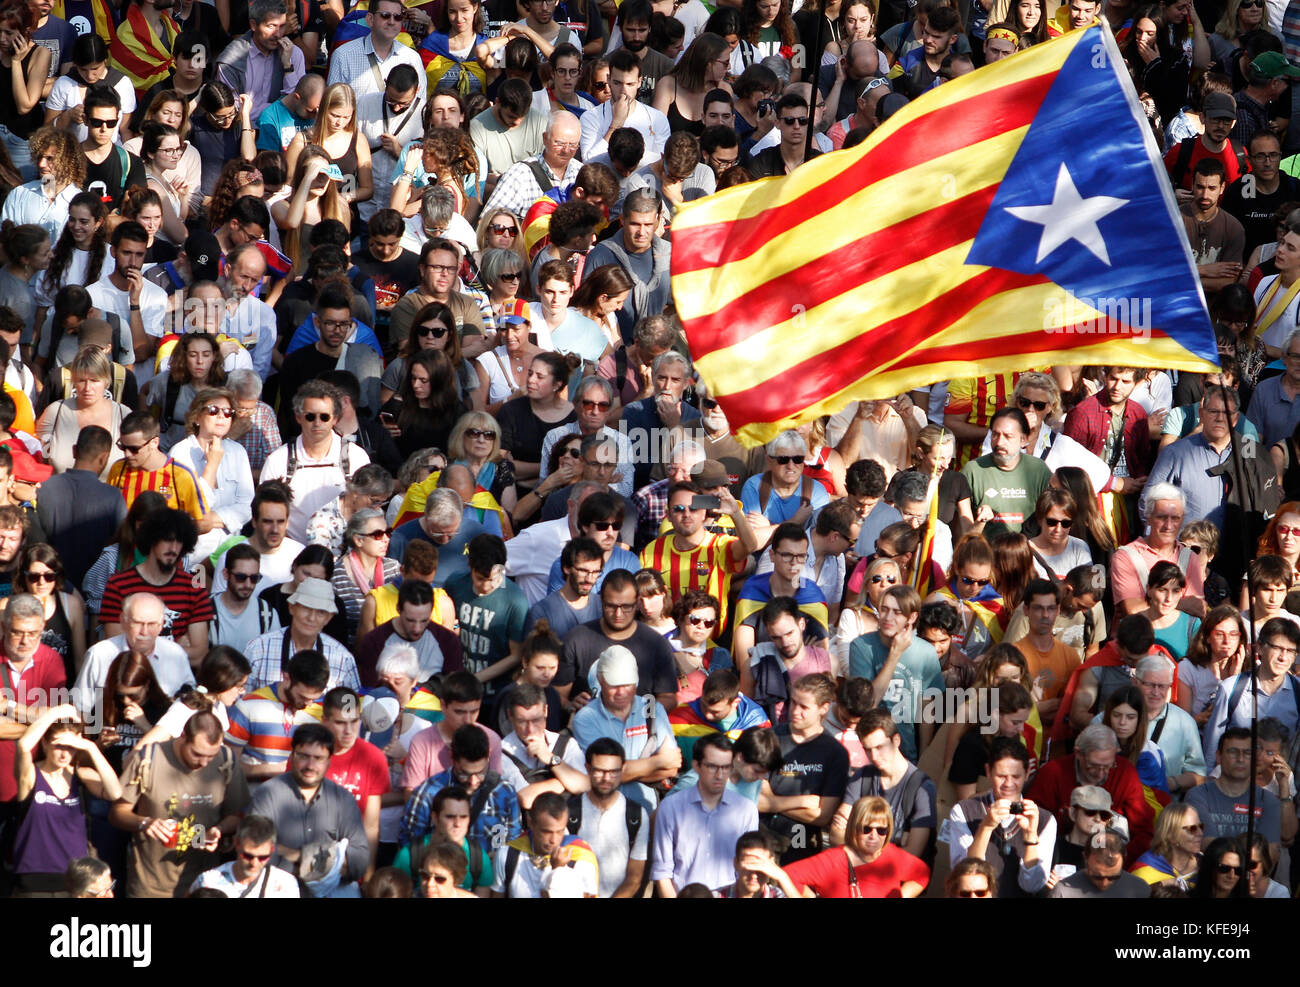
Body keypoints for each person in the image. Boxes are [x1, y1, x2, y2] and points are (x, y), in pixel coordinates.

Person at [109, 711, 249, 899]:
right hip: (151, 883)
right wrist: (146, 823)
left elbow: (237, 814)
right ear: (183, 736)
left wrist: (219, 830)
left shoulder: (226, 760)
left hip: (203, 884)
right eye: (197, 754)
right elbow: (117, 812)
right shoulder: (149, 758)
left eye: (210, 756)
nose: (204, 762)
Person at [248, 722, 370, 896]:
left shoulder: (343, 800)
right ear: (292, 755)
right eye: (304, 756)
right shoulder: (267, 794)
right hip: (279, 887)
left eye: (318, 758)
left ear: (329, 761)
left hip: (333, 888)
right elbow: (257, 852)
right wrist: (329, 860)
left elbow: (359, 861)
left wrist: (295, 855)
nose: (310, 766)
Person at [11, 704, 121, 896]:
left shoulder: (80, 775)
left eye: (70, 747)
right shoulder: (31, 776)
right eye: (58, 745)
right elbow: (23, 746)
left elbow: (115, 792)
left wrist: (90, 747)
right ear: (45, 744)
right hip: (34, 882)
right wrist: (56, 712)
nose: (64, 753)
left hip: (75, 881)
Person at [569, 644, 681, 810]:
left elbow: (671, 768)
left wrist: (622, 773)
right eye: (614, 685)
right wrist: (657, 762)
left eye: (627, 685)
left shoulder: (652, 708)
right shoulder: (585, 718)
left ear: (636, 682)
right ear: (600, 680)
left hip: (648, 808)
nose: (621, 692)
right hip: (603, 808)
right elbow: (602, 777)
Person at [259, 380, 371, 543]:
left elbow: (367, 511)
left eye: (324, 417)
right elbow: (265, 512)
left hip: (344, 553)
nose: (317, 423)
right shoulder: (277, 460)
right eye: (310, 416)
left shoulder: (356, 456)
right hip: (294, 553)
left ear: (335, 419)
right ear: (298, 417)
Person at [651, 734, 760, 895]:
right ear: (696, 766)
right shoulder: (671, 807)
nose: (720, 775)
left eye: (725, 767)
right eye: (712, 766)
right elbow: (662, 871)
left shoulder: (746, 810)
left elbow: (748, 868)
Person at [1027, 723, 1156, 858]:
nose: (1100, 774)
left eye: (1107, 766)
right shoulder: (1053, 773)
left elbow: (1144, 830)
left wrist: (1119, 862)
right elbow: (1034, 822)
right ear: (1078, 753)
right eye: (1093, 766)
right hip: (1058, 856)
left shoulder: (1125, 773)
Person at [947, 737, 1054, 897]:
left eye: (1016, 776)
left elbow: (1033, 885)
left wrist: (1031, 836)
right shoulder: (964, 811)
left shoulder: (1045, 820)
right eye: (1001, 776)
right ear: (988, 772)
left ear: (1027, 774)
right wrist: (985, 827)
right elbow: (963, 873)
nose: (1008, 784)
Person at [556, 570, 677, 711]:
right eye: (611, 606)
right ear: (601, 601)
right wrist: (569, 705)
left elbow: (668, 698)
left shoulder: (656, 644)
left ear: (636, 601)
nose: (618, 614)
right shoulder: (577, 639)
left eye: (626, 607)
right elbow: (557, 693)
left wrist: (642, 716)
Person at [401, 722, 522, 853]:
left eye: (481, 773)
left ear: (488, 757)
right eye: (464, 774)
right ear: (452, 759)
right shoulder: (428, 793)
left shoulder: (505, 792)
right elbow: (410, 846)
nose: (473, 781)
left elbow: (514, 843)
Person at [226, 648, 330, 781]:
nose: (309, 704)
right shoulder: (248, 706)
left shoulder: (325, 711)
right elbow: (229, 767)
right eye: (302, 697)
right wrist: (277, 769)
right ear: (286, 678)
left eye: (314, 698)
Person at [1202, 617, 1300, 756]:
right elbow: (1213, 746)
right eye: (1277, 648)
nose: (1283, 657)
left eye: (1290, 651)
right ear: (1259, 647)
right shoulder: (1231, 689)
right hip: (1238, 774)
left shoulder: (1297, 692)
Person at [243, 576, 357, 692]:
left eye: (321, 612)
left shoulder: (343, 659)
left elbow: (351, 705)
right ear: (291, 607)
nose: (311, 618)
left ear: (328, 618)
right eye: (306, 608)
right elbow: (239, 701)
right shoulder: (258, 649)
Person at [1185, 726, 1284, 849]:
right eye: (1233, 751)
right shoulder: (1197, 796)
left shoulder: (1269, 801)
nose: (1240, 759)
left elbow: (1270, 852)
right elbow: (1205, 844)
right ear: (1218, 757)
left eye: (1247, 753)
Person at [491, 791, 599, 897]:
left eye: (560, 831)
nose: (554, 840)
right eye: (546, 832)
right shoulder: (508, 855)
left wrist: (558, 871)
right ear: (530, 823)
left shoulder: (581, 859)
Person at [190, 813, 301, 897]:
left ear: (272, 849)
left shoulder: (286, 884)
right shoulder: (208, 881)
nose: (254, 863)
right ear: (237, 844)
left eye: (263, 857)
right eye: (248, 856)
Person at [1049, 830, 1151, 898]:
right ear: (1085, 858)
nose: (1104, 883)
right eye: (1097, 877)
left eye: (1113, 877)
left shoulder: (1141, 890)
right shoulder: (1063, 893)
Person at [1130, 800, 1203, 888]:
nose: (1200, 833)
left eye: (1201, 826)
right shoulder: (1144, 872)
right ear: (1171, 835)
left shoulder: (1209, 868)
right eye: (1193, 829)